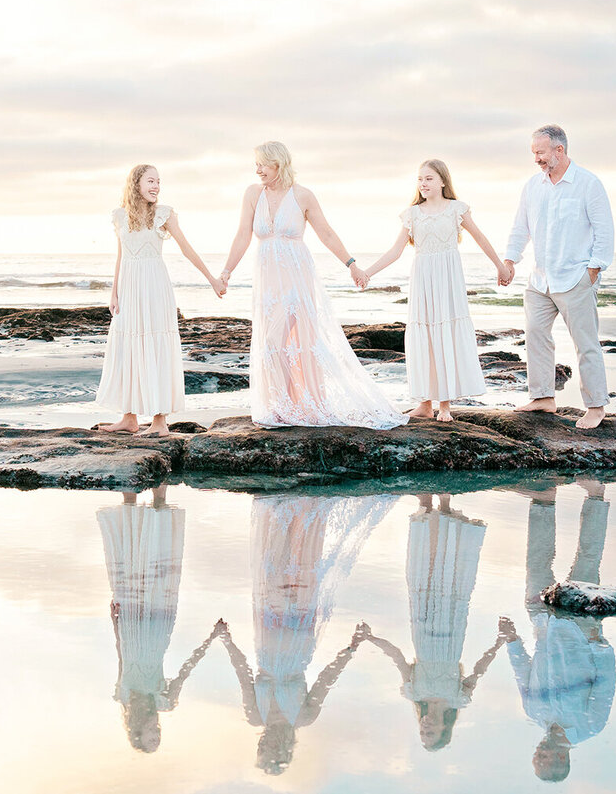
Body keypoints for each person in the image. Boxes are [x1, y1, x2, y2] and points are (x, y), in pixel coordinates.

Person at [217, 141, 406, 428]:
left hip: (296, 278)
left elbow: (326, 233)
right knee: (272, 345)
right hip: (267, 281)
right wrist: (227, 271)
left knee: (290, 342)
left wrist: (352, 264)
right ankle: (283, 405)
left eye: (262, 164)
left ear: (278, 163)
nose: (257, 170)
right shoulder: (253, 194)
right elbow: (243, 233)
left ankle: (297, 405)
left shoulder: (303, 195)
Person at [217, 494, 396, 774]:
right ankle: (306, 508)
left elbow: (243, 673)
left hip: (267, 636)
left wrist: (226, 640)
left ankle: (277, 502)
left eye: (265, 751)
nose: (269, 747)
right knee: (300, 575)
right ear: (286, 751)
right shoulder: (303, 717)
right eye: (274, 753)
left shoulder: (255, 716)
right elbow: (326, 679)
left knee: (272, 571)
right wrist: (351, 649)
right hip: (299, 640)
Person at [354, 494, 508, 751]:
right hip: (452, 629)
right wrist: (499, 642)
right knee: (450, 577)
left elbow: (397, 657)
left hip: (422, 628)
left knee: (424, 573)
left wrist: (370, 638)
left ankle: (425, 506)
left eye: (422, 732)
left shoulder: (413, 693)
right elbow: (480, 669)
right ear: (444, 729)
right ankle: (445, 509)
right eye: (431, 732)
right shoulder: (458, 698)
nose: (425, 728)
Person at [359, 160, 508, 420]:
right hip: (423, 279)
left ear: (442, 181)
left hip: (448, 279)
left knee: (446, 332)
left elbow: (481, 238)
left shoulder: (456, 209)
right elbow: (395, 251)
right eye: (420, 179)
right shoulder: (412, 213)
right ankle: (425, 403)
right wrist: (367, 273)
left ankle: (445, 406)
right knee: (424, 335)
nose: (423, 184)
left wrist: (500, 266)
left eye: (428, 178)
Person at [503, 479, 616, 782]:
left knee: (535, 562)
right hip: (582, 629)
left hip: (541, 622)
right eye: (543, 759)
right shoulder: (591, 725)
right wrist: (598, 644)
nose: (538, 753)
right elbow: (605, 683)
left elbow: (522, 674)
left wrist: (511, 640)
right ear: (561, 759)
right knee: (588, 560)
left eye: (536, 758)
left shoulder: (533, 714)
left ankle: (544, 499)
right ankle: (596, 494)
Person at [97, 164, 225, 434]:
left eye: (158, 182)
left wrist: (213, 279)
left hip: (155, 287)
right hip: (130, 289)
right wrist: (114, 292)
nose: (156, 186)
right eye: (150, 181)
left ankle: (159, 422)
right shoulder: (120, 216)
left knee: (156, 346)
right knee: (128, 348)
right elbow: (120, 256)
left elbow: (187, 249)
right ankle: (129, 418)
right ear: (136, 184)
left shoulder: (164, 214)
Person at [502, 124, 615, 429]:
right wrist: (510, 260)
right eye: (534, 152)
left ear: (559, 150)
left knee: (585, 343)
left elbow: (604, 231)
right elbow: (520, 228)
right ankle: (543, 398)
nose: (536, 158)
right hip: (540, 280)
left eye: (540, 152)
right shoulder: (533, 186)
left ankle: (595, 406)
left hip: (575, 277)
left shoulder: (588, 184)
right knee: (536, 335)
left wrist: (594, 269)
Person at [96, 486, 221, 752]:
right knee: (159, 568)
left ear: (138, 731)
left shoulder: (124, 696)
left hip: (130, 627)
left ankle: (129, 494)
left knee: (130, 566)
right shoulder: (164, 701)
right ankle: (159, 495)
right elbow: (186, 669)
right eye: (158, 736)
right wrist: (213, 637)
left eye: (151, 736)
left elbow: (121, 658)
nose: (156, 730)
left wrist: (114, 622)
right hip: (158, 628)